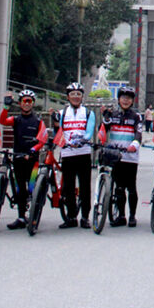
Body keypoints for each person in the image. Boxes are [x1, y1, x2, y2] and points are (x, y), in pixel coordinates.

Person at [0, 89, 43, 230]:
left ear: (33, 103)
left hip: (32, 160)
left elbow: (42, 139)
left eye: (30, 101)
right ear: (20, 103)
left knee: (32, 188)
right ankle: (21, 217)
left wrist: (33, 150)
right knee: (20, 189)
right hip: (18, 157)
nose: (27, 104)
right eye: (24, 101)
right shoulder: (16, 120)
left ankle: (34, 214)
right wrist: (6, 107)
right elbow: (2, 121)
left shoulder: (38, 121)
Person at [101, 85, 143, 227]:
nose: (126, 100)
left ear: (132, 100)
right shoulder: (113, 115)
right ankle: (121, 216)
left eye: (129, 98)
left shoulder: (136, 117)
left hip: (130, 157)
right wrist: (105, 117)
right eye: (123, 97)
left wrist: (134, 145)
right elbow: (103, 129)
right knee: (119, 188)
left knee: (131, 188)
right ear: (118, 99)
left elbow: (138, 134)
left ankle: (132, 216)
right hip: (116, 156)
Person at [57, 82, 95, 229]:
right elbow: (59, 131)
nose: (75, 97)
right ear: (68, 97)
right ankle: (71, 216)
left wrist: (82, 140)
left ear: (82, 96)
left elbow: (89, 131)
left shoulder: (88, 113)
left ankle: (85, 217)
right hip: (67, 153)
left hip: (83, 152)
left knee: (85, 186)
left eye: (78, 94)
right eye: (72, 94)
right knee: (68, 187)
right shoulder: (62, 113)